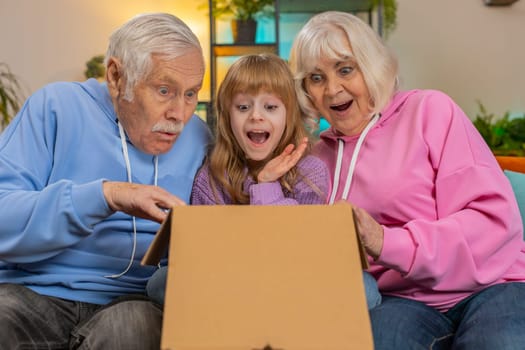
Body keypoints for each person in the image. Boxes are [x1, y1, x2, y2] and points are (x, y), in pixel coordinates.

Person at [289, 10, 525, 350]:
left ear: (370, 66)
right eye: (316, 78)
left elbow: (492, 223)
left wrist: (384, 241)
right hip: (402, 300)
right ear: (306, 91)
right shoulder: (315, 161)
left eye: (345, 69)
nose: (333, 89)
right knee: (383, 341)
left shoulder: (429, 111)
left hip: (494, 283)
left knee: (502, 343)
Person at [0, 13, 212, 349]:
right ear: (116, 77)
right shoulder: (55, 107)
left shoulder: (200, 139)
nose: (180, 114)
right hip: (33, 292)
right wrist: (106, 196)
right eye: (164, 90)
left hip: (134, 300)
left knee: (133, 328)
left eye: (190, 94)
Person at [146, 53, 382, 310]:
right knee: (160, 282)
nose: (256, 116)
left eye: (270, 107)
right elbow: (211, 252)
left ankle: (265, 309)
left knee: (366, 289)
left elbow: (299, 245)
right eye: (243, 107)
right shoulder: (213, 175)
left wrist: (267, 187)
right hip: (232, 278)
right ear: (227, 117)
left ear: (288, 115)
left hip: (293, 276)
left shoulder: (310, 171)